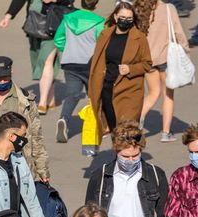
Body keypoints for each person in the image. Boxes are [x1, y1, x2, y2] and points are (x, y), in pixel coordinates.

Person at [89, 2, 152, 138]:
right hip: (108, 88)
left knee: (127, 131)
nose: (125, 21)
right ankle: (119, 158)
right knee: (115, 132)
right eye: (122, 17)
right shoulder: (105, 35)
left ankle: (132, 157)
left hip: (130, 90)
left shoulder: (139, 38)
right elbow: (98, 60)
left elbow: (147, 64)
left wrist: (130, 68)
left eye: (129, 19)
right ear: (116, 17)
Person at [0, 0, 74, 113]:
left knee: (46, 62)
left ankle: (42, 103)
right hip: (34, 25)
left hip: (54, 26)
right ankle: (51, 99)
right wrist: (8, 16)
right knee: (38, 61)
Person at [134, 0, 190, 142]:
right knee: (168, 96)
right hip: (167, 58)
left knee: (153, 93)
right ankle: (166, 133)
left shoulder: (139, 9)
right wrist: (185, 48)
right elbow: (178, 31)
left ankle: (138, 119)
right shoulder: (168, 8)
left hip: (147, 59)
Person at [54, 0, 106, 143]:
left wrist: (69, 49)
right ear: (95, 4)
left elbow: (58, 39)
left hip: (70, 62)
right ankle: (97, 125)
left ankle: (63, 119)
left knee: (72, 95)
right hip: (91, 64)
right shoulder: (99, 22)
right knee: (95, 96)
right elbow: (103, 44)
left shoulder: (68, 19)